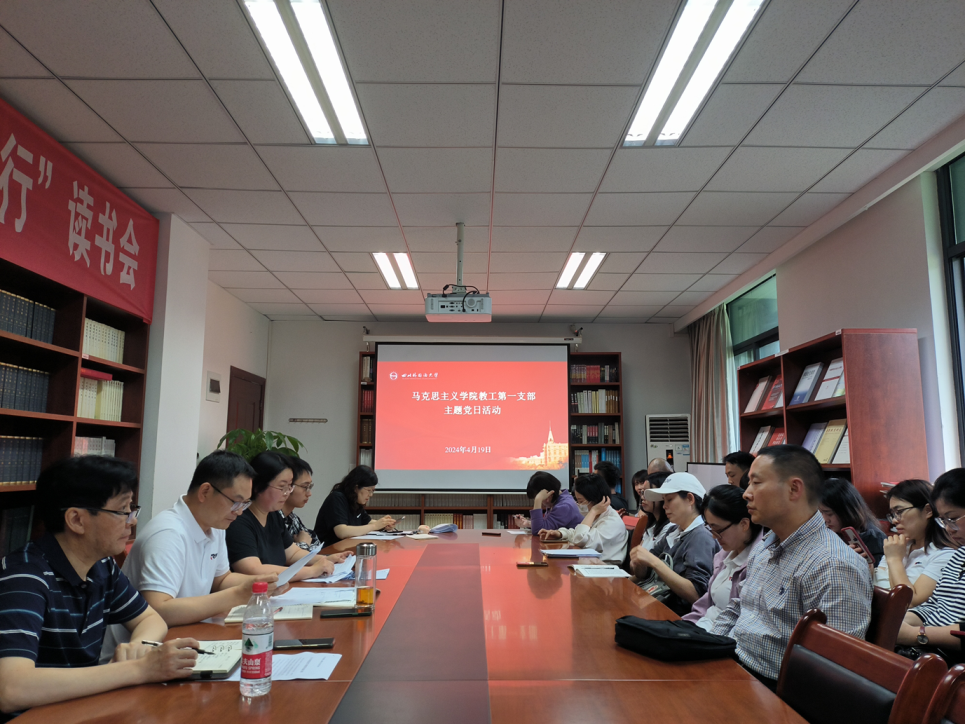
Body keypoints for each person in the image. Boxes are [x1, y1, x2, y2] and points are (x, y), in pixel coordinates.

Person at [0, 456, 200, 719]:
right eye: (122, 511)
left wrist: (138, 646)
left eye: (131, 509)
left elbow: (151, 618)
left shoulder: (101, 566)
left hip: (80, 708)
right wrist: (140, 669)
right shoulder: (25, 576)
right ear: (77, 520)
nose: (132, 521)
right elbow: (11, 689)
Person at [711, 445, 872, 690]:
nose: (746, 494)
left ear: (794, 489)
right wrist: (709, 647)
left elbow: (835, 669)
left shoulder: (833, 564)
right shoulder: (766, 545)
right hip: (731, 664)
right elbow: (738, 607)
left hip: (773, 689)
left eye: (756, 483)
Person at [103, 451, 286, 656]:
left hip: (185, 636)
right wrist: (236, 595)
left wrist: (259, 584)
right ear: (205, 492)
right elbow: (159, 609)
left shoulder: (216, 525)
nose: (240, 511)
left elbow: (221, 579)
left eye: (244, 503)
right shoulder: (168, 533)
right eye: (235, 502)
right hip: (139, 652)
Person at [226, 452, 344, 578]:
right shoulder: (238, 520)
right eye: (282, 487)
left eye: (290, 486)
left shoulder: (274, 515)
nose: (287, 493)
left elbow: (292, 554)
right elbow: (253, 569)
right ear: (258, 486)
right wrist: (312, 571)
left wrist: (326, 559)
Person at [629, 472, 719, 616]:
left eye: (669, 500)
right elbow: (643, 573)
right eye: (664, 501)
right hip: (659, 609)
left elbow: (697, 595)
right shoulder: (674, 531)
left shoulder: (700, 536)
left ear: (690, 499)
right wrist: (639, 562)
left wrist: (654, 562)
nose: (664, 506)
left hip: (680, 617)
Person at [896, 468, 965, 655]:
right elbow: (936, 604)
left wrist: (916, 634)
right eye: (944, 520)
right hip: (928, 647)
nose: (949, 529)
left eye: (953, 518)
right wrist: (901, 621)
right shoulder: (960, 554)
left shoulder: (947, 553)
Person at [682, 484, 764, 631]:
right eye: (710, 528)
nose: (714, 536)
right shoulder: (724, 556)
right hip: (703, 629)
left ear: (744, 524)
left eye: (718, 530)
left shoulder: (758, 562)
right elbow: (704, 606)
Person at [871, 479, 954, 607]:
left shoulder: (945, 555)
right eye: (893, 514)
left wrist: (894, 560)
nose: (894, 520)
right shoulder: (899, 545)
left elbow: (907, 602)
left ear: (928, 510)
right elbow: (877, 586)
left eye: (899, 512)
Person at [538, 474, 628, 563]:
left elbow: (580, 540)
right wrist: (560, 534)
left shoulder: (611, 522)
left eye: (581, 501)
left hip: (605, 568)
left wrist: (593, 511)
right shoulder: (598, 516)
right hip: (590, 563)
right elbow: (577, 533)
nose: (578, 505)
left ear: (596, 500)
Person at [314, 466, 396, 547]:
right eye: (369, 490)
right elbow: (342, 532)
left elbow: (368, 522)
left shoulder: (355, 501)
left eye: (373, 491)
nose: (371, 495)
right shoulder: (337, 498)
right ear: (356, 488)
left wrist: (384, 524)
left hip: (346, 549)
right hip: (327, 551)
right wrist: (375, 526)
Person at [819, 477, 887, 566]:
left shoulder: (875, 538)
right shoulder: (826, 533)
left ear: (847, 511)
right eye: (820, 512)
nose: (825, 519)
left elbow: (878, 573)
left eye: (829, 513)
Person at [513, 471, 582, 534]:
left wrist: (538, 500)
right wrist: (528, 523)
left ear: (548, 496)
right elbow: (546, 526)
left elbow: (538, 531)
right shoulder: (558, 501)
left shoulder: (564, 506)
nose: (542, 503)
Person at [282, 456, 319, 550]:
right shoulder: (272, 519)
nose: (309, 493)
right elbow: (281, 556)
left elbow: (315, 542)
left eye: (310, 487)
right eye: (305, 487)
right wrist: (303, 543)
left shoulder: (292, 518)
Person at [632, 470, 672, 550]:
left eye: (648, 493)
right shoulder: (651, 525)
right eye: (643, 493)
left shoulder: (670, 528)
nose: (642, 497)